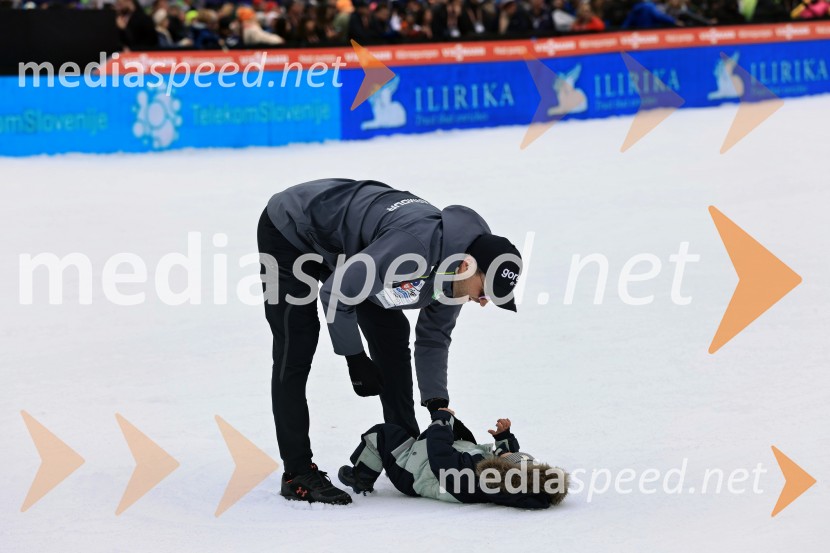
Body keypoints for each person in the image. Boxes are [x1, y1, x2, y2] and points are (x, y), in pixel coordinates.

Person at [257, 178, 523, 504]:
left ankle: (403, 447)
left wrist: (437, 405)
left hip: (350, 244)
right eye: (485, 291)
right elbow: (336, 292)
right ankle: (297, 473)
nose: (483, 302)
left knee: (391, 331)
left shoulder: (457, 266)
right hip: (292, 229)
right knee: (296, 344)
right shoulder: (415, 249)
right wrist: (354, 357)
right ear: (469, 266)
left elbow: (433, 338)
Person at [338, 408, 569, 508]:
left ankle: (362, 477)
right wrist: (504, 438)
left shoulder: (471, 480)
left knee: (382, 434)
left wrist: (441, 423)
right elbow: (493, 453)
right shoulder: (490, 479)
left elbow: (441, 457)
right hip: (424, 462)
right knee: (400, 432)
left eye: (511, 456)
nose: (506, 453)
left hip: (412, 473)